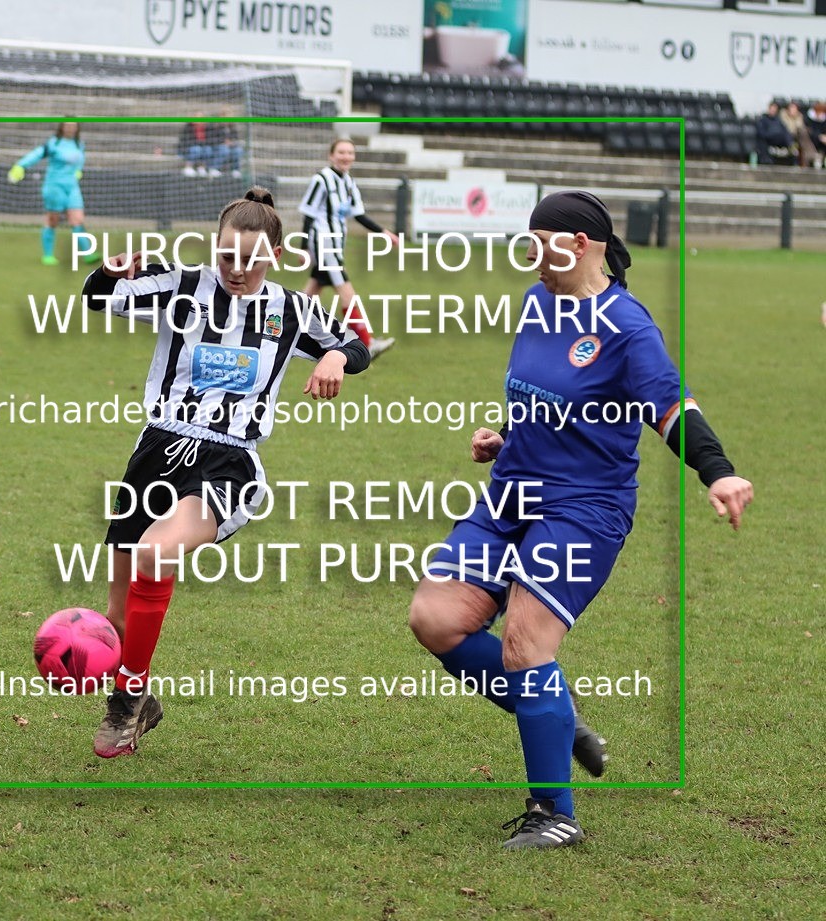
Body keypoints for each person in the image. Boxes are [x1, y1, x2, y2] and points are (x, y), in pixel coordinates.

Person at [408, 190, 753, 849]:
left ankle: (555, 814)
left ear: (581, 244)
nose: (531, 257)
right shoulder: (538, 302)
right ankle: (557, 717)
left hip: (584, 509)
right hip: (511, 495)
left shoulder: (626, 325)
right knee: (435, 617)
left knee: (524, 643)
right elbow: (545, 391)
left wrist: (719, 470)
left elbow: (673, 408)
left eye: (541, 244)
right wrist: (506, 436)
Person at [81, 187, 370, 758]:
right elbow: (99, 297)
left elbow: (356, 344)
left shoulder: (292, 309)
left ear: (278, 255)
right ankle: (141, 693)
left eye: (253, 259)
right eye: (228, 256)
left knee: (155, 553)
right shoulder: (182, 285)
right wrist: (112, 270)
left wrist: (335, 356)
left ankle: (126, 704)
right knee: (116, 623)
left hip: (228, 459)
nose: (238, 270)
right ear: (214, 248)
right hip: (156, 452)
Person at [299, 138, 399, 360]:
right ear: (331, 155)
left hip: (335, 245)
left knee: (310, 293)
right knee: (347, 292)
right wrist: (304, 247)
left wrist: (384, 232)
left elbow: (359, 214)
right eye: (341, 152)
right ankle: (367, 343)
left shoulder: (349, 183)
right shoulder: (322, 179)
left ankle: (288, 328)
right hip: (324, 245)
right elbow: (308, 213)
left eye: (350, 153)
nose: (346, 156)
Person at [8, 122, 98, 266]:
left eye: (73, 126)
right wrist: (20, 165)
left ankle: (88, 254)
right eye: (68, 125)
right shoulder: (53, 143)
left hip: (72, 186)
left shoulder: (79, 144)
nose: (71, 128)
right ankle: (48, 255)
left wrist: (78, 170)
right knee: (52, 220)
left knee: (77, 219)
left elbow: (80, 160)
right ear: (62, 127)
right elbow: (36, 154)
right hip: (54, 186)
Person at [779, 101, 818, 168]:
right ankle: (812, 155)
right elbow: (788, 129)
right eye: (791, 108)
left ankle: (809, 158)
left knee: (804, 133)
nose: (792, 110)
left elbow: (800, 127)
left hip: (799, 137)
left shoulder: (799, 116)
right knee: (802, 135)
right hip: (786, 137)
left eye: (794, 108)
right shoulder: (783, 116)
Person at [211, 113, 244, 178]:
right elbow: (213, 139)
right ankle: (215, 169)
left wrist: (232, 142)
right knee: (224, 149)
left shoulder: (232, 128)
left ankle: (235, 170)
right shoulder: (216, 128)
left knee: (238, 150)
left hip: (231, 147)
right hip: (219, 146)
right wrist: (223, 142)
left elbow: (236, 138)